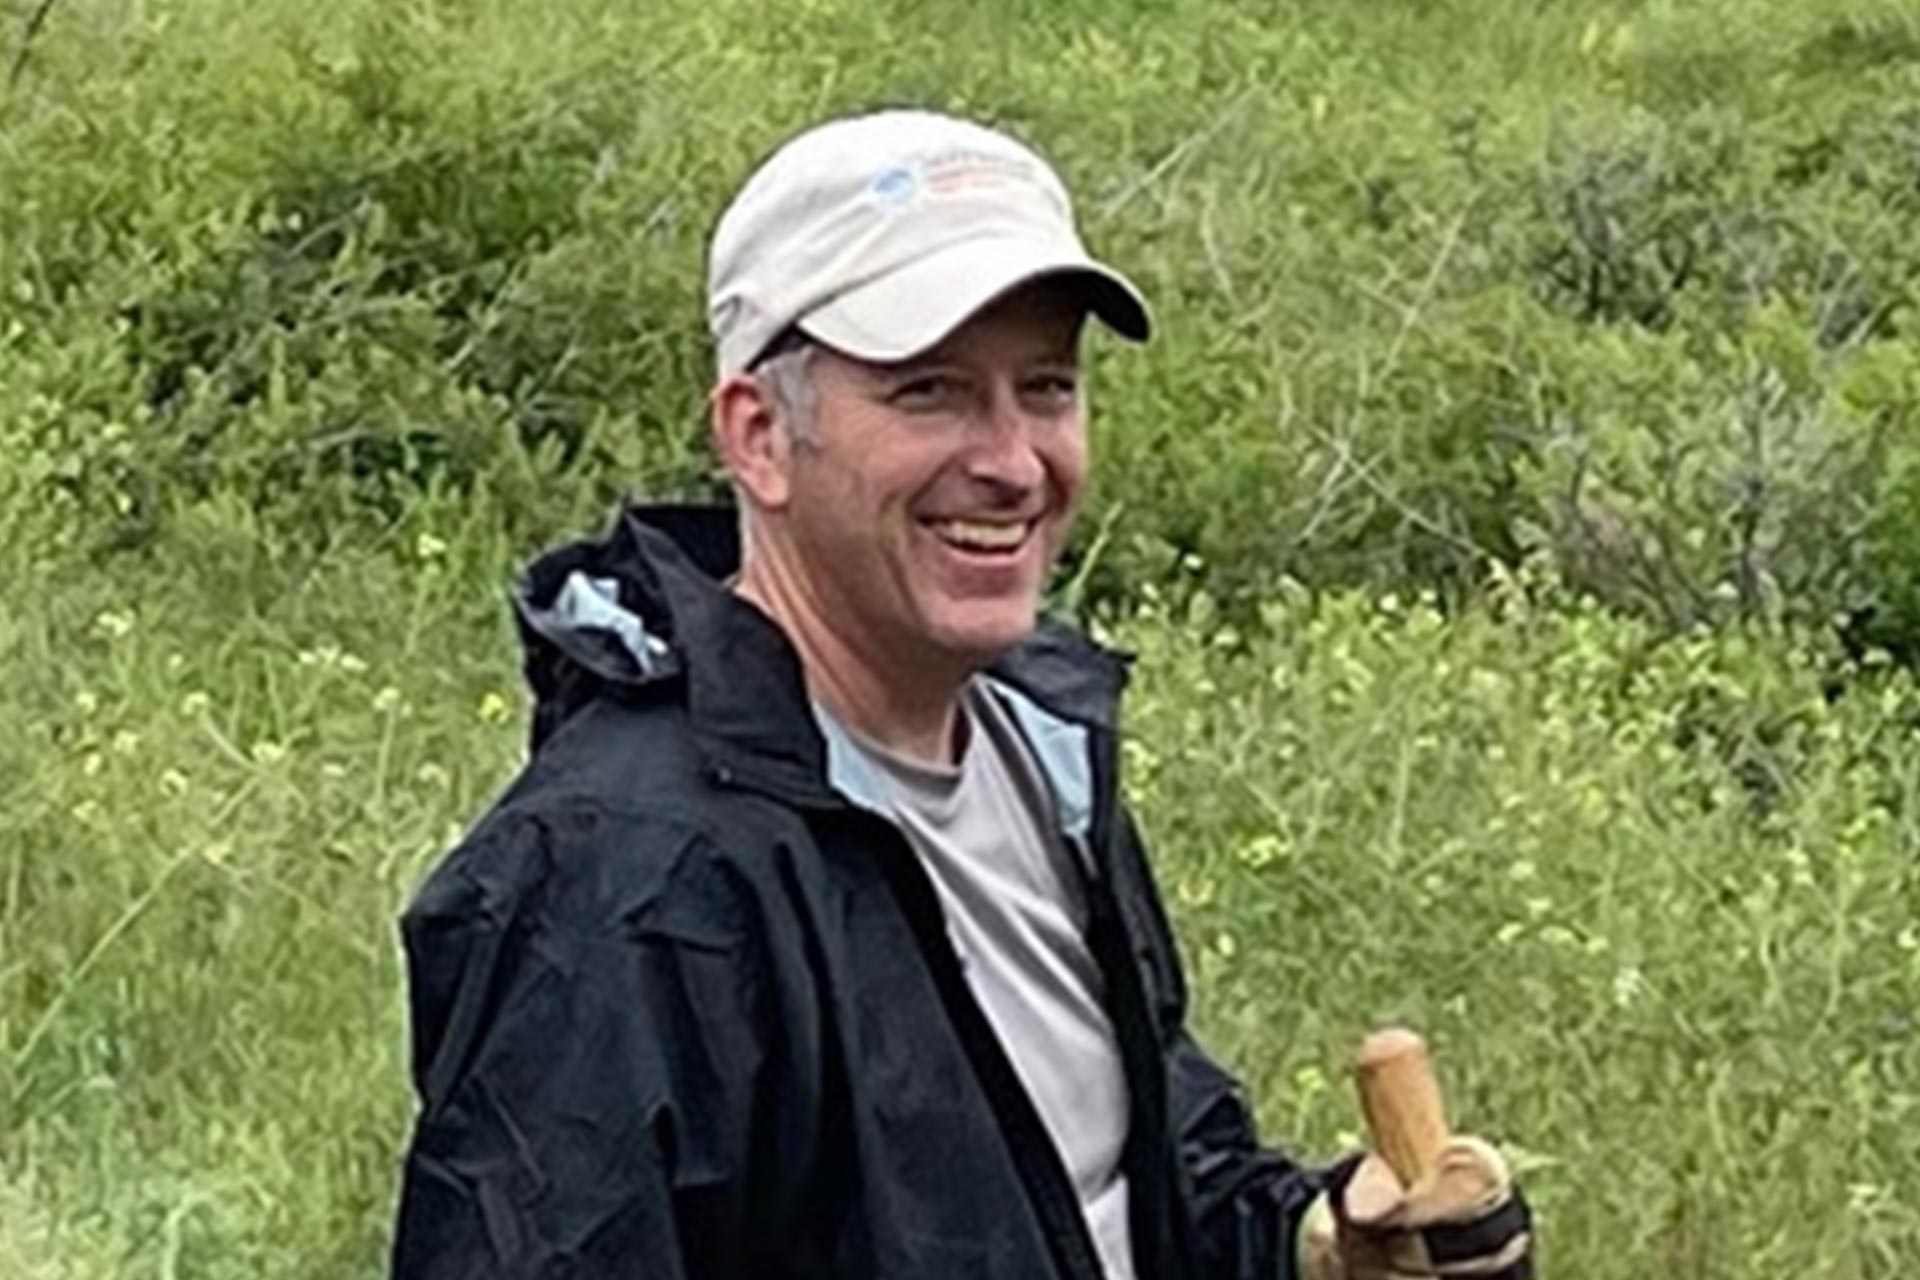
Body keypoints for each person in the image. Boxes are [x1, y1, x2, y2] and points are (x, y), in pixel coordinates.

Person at [390, 109, 1533, 1280]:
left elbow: (1113, 1173)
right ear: (760, 436)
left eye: (1045, 386)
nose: (1012, 459)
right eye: (929, 391)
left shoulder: (1034, 746)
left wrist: (1320, 1242)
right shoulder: (623, 875)